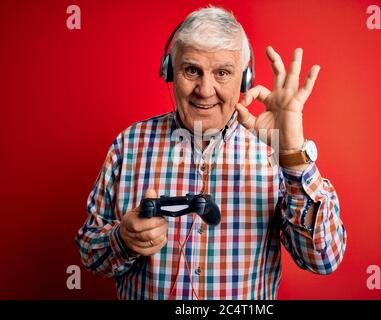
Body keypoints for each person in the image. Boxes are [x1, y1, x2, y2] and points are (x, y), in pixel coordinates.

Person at [76, 6, 347, 300]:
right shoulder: (129, 145)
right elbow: (91, 255)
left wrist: (292, 151)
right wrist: (123, 240)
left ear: (244, 79)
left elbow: (323, 259)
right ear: (169, 71)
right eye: (192, 70)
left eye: (222, 73)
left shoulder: (274, 152)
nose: (205, 90)